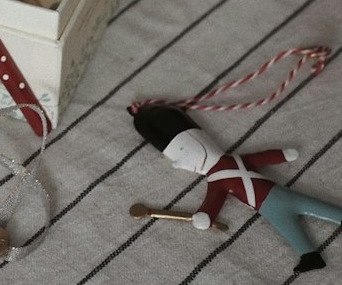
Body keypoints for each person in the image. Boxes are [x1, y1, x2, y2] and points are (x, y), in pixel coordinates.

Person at [131, 104, 342, 273]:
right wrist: (206, 214)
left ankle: (310, 254)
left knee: (307, 212)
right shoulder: (218, 178)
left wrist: (282, 155)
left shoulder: (227, 169)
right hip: (267, 205)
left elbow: (257, 159)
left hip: (272, 198)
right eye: (182, 151)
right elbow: (214, 199)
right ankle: (309, 255)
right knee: (293, 223)